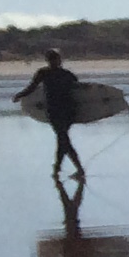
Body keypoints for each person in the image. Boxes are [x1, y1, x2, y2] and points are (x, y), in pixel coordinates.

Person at [22, 49, 88, 179]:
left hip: (60, 110)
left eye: (55, 59)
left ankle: (76, 169)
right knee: (62, 139)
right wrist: (21, 95)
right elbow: (32, 87)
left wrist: (21, 94)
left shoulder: (50, 73)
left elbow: (32, 87)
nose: (55, 62)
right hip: (63, 110)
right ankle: (58, 169)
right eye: (53, 59)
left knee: (63, 139)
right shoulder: (62, 74)